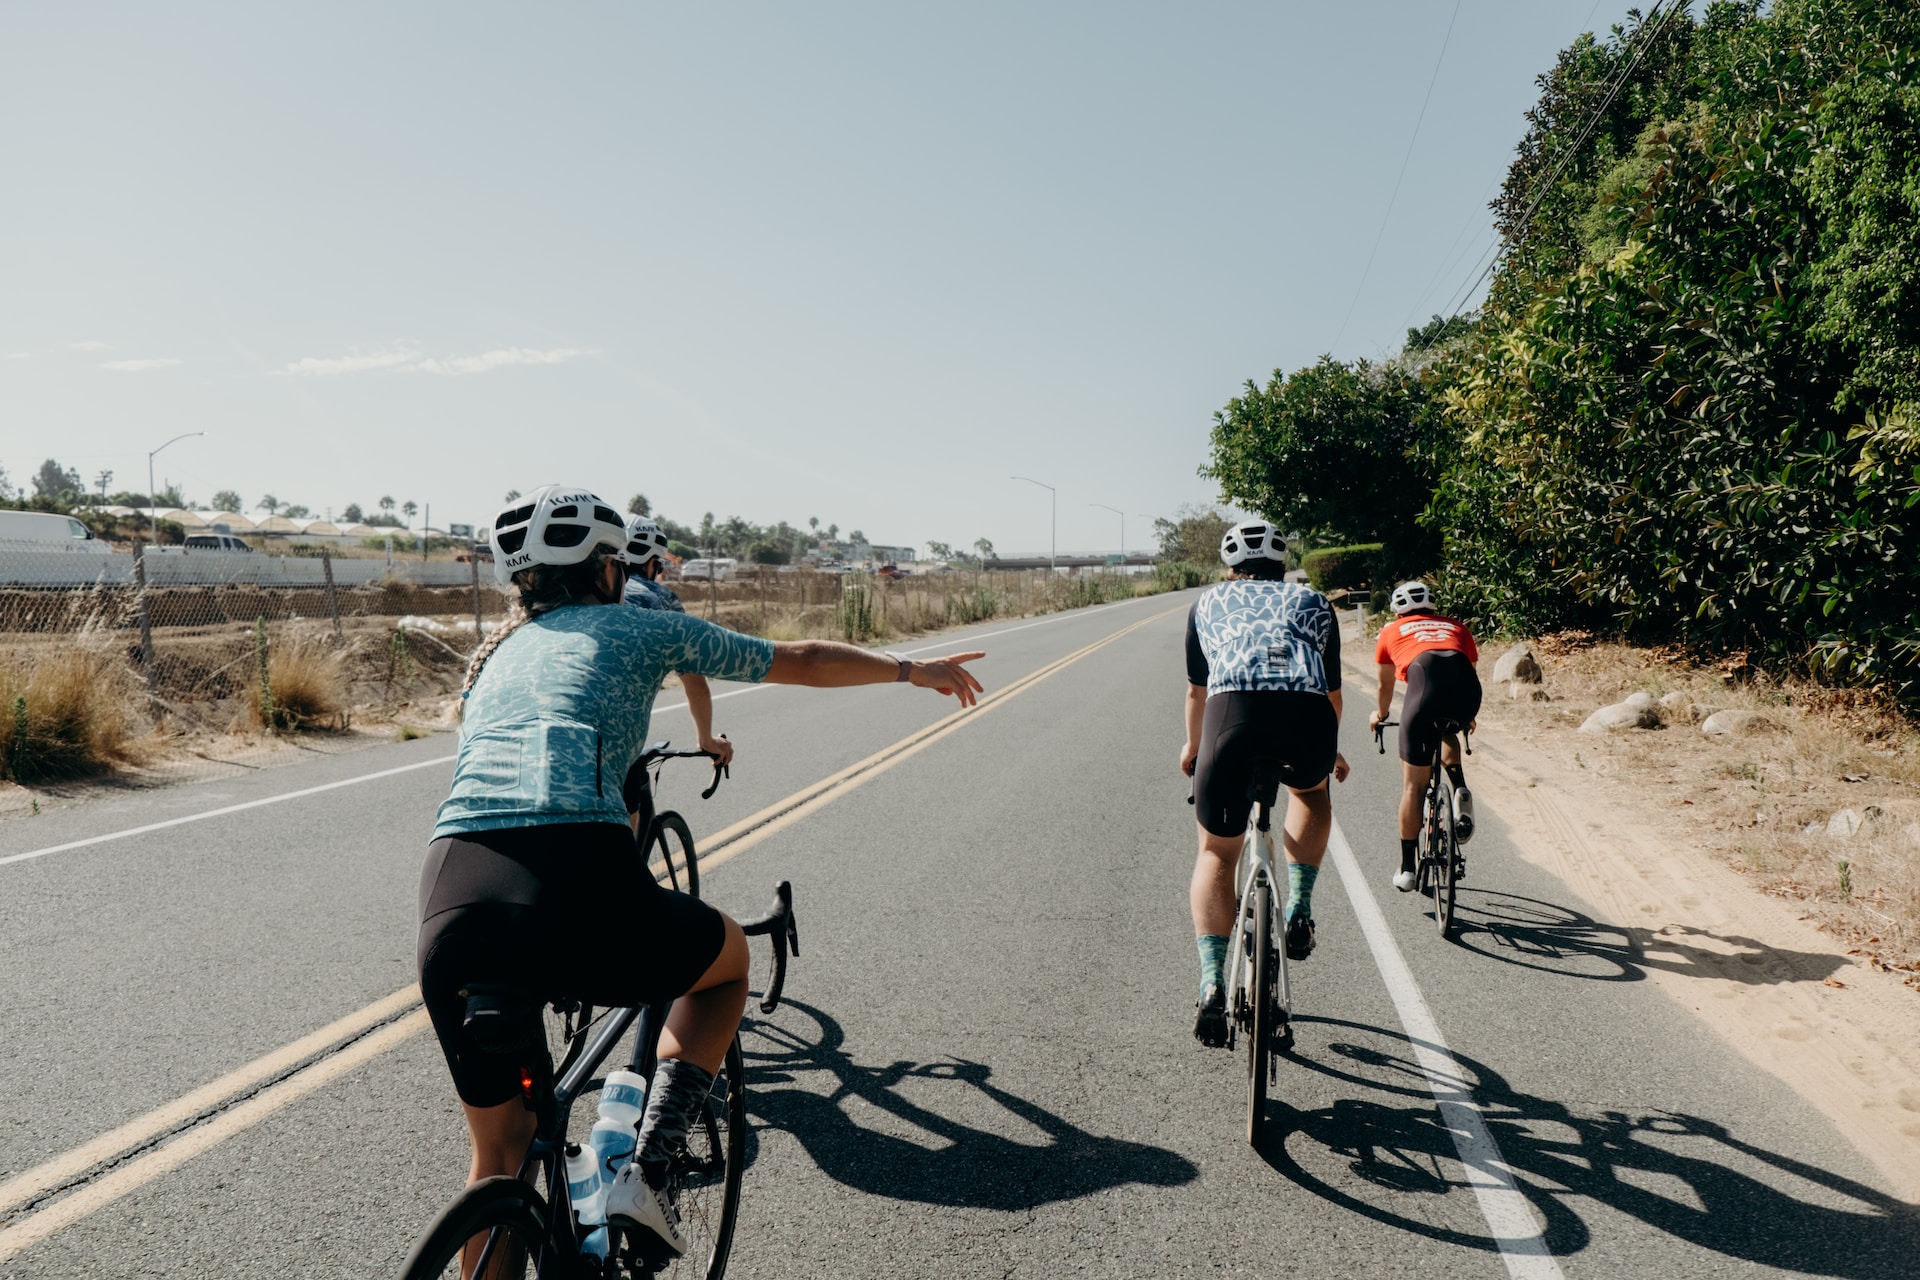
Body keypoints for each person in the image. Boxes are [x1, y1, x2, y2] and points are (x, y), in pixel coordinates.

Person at [418, 485, 984, 1257]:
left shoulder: (491, 661)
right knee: (725, 966)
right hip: (573, 877)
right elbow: (801, 659)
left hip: (452, 894)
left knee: (499, 1157)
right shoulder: (641, 626)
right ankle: (649, 1171)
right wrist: (910, 668)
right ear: (607, 569)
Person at [1181, 519, 1348, 1048]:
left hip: (1232, 721)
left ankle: (1211, 982)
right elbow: (1331, 692)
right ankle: (1299, 906)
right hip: (1307, 722)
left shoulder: (1206, 604)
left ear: (1230, 568)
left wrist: (1193, 748)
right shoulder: (1316, 604)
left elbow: (1196, 693)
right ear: (1284, 564)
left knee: (1216, 854)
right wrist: (1330, 748)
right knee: (1312, 793)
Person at [618, 514, 730, 837]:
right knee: (623, 851)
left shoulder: (595, 597)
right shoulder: (660, 599)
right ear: (654, 563)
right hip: (615, 736)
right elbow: (695, 681)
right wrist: (706, 739)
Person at [1368, 580, 1482, 892]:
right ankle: (1459, 789)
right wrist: (1467, 716)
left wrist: (1381, 716)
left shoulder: (1391, 631)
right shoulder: (1457, 627)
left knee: (1413, 786)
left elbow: (1384, 687)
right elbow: (1469, 671)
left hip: (1425, 686)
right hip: (1466, 692)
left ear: (1397, 609)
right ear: (1432, 606)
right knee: (1447, 727)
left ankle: (1407, 868)